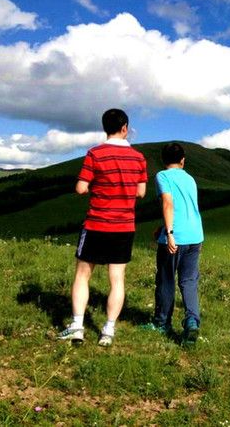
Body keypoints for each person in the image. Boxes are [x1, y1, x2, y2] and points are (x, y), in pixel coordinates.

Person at [58, 108, 147, 347]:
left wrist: (92, 186)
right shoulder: (139, 158)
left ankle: (77, 326)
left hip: (97, 223)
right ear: (125, 128)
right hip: (124, 226)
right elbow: (141, 192)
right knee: (117, 279)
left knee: (82, 275)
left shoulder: (95, 154)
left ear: (104, 127)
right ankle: (107, 331)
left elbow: (80, 188)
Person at [145, 142, 204, 345]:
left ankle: (162, 323)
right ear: (182, 160)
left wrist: (169, 232)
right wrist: (163, 227)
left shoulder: (163, 176)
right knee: (189, 281)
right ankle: (192, 322)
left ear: (163, 160)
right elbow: (184, 207)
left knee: (166, 280)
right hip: (195, 235)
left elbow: (169, 203)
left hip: (175, 237)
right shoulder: (190, 179)